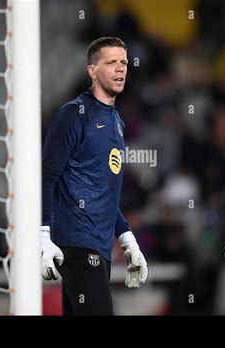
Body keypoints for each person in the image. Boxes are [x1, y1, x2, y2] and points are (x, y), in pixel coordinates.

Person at [40, 37, 148, 315]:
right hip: (77, 242)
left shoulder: (116, 121)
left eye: (123, 62)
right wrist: (43, 235)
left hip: (99, 246)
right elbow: (47, 176)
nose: (120, 68)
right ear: (92, 70)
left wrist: (126, 238)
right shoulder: (74, 115)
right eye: (111, 62)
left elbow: (103, 192)